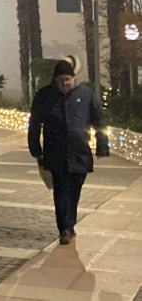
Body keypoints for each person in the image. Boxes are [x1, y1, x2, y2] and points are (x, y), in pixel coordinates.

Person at [28, 60, 109, 246]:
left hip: (80, 152)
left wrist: (102, 145)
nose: (66, 82)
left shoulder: (85, 95)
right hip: (55, 152)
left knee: (74, 190)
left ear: (73, 78)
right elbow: (34, 124)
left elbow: (99, 120)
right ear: (55, 80)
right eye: (62, 79)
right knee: (60, 190)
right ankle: (64, 227)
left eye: (68, 78)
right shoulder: (45, 96)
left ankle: (69, 223)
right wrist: (35, 149)